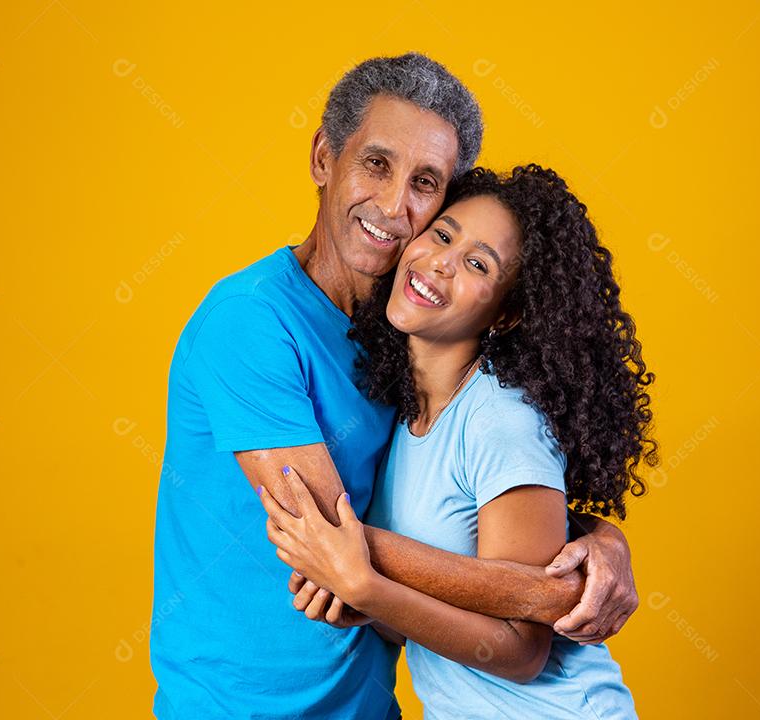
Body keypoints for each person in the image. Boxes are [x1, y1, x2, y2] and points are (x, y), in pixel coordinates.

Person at [151, 53, 640, 720]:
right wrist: (543, 591)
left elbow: (432, 516)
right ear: (325, 157)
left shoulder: (403, 345)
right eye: (376, 164)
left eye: (425, 182)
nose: (393, 205)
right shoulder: (249, 322)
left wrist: (598, 539)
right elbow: (324, 533)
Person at [259, 164, 656, 719]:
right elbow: (448, 612)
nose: (441, 261)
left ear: (506, 313)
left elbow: (522, 650)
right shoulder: (400, 416)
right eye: (442, 234)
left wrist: (368, 586)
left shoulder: (502, 419)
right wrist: (371, 607)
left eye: (476, 264)